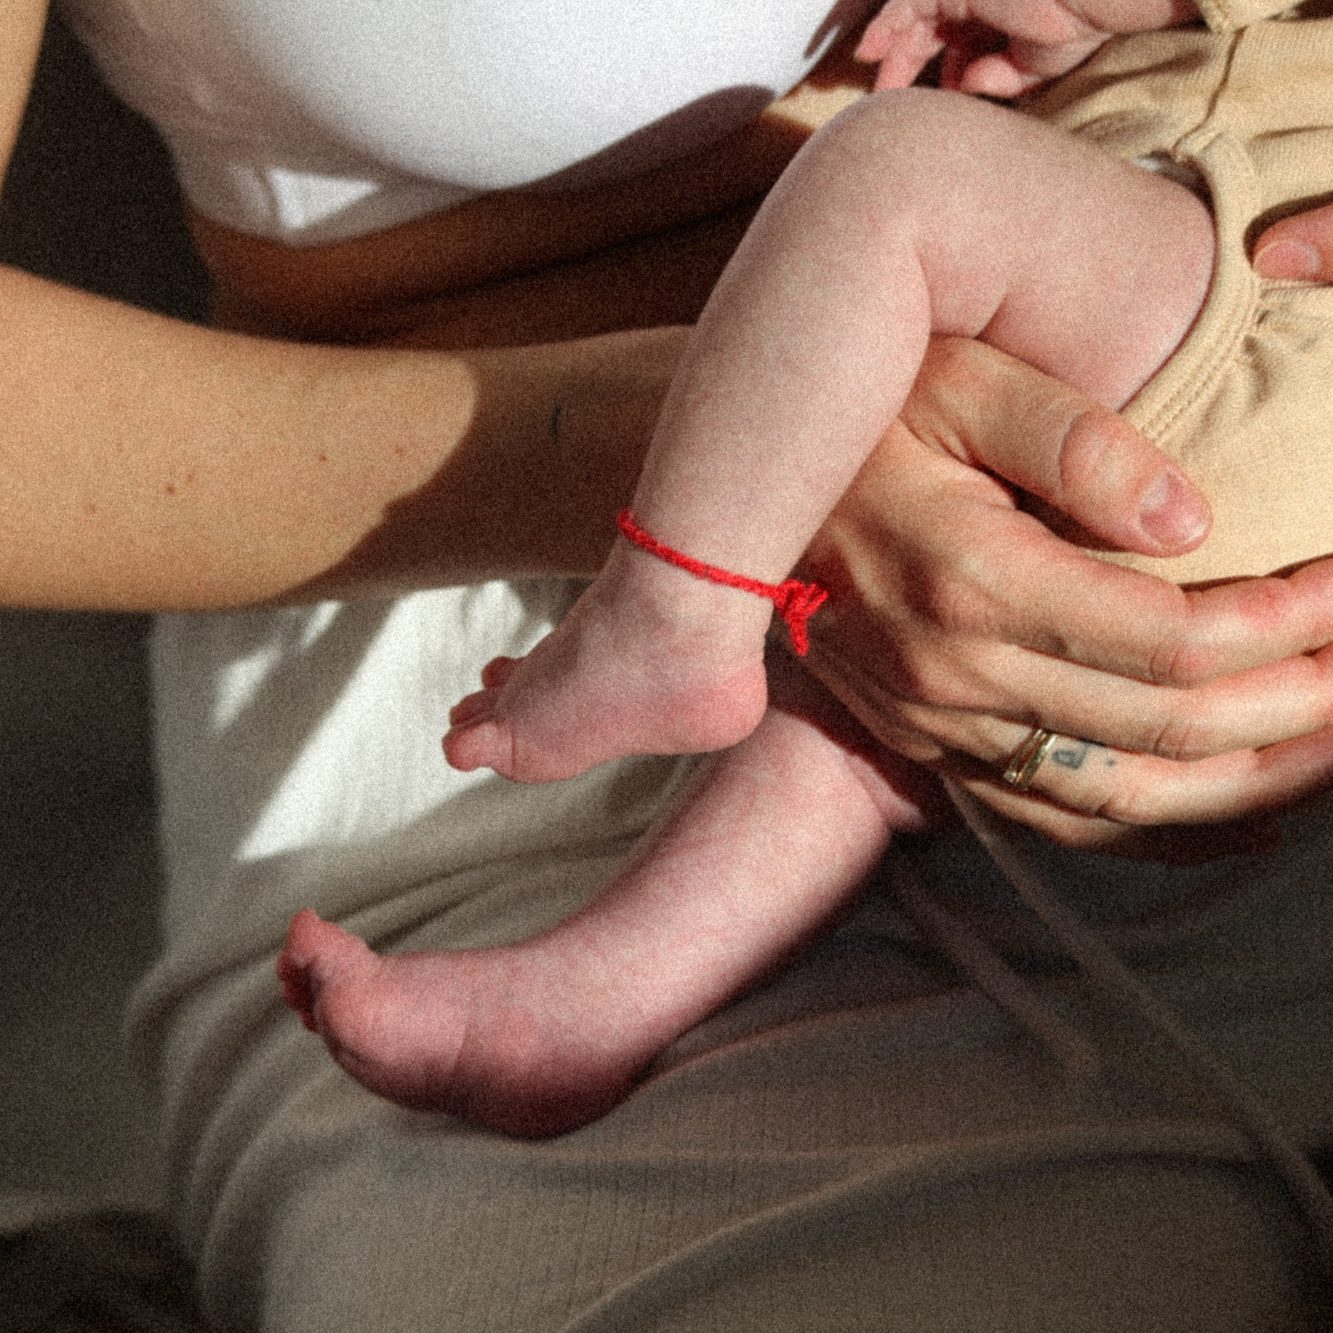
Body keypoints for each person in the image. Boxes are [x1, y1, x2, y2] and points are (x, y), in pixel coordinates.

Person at [5, 0, 1333, 1326]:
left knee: (895, 186)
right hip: (474, 588)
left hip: (1225, 372)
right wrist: (722, 475)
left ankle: (662, 714)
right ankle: (620, 921)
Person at [277, 0, 1333, 1140]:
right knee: (863, 714)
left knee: (895, 179)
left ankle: (676, 608)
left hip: (1265, 320)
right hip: (1229, 462)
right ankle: (578, 1003)